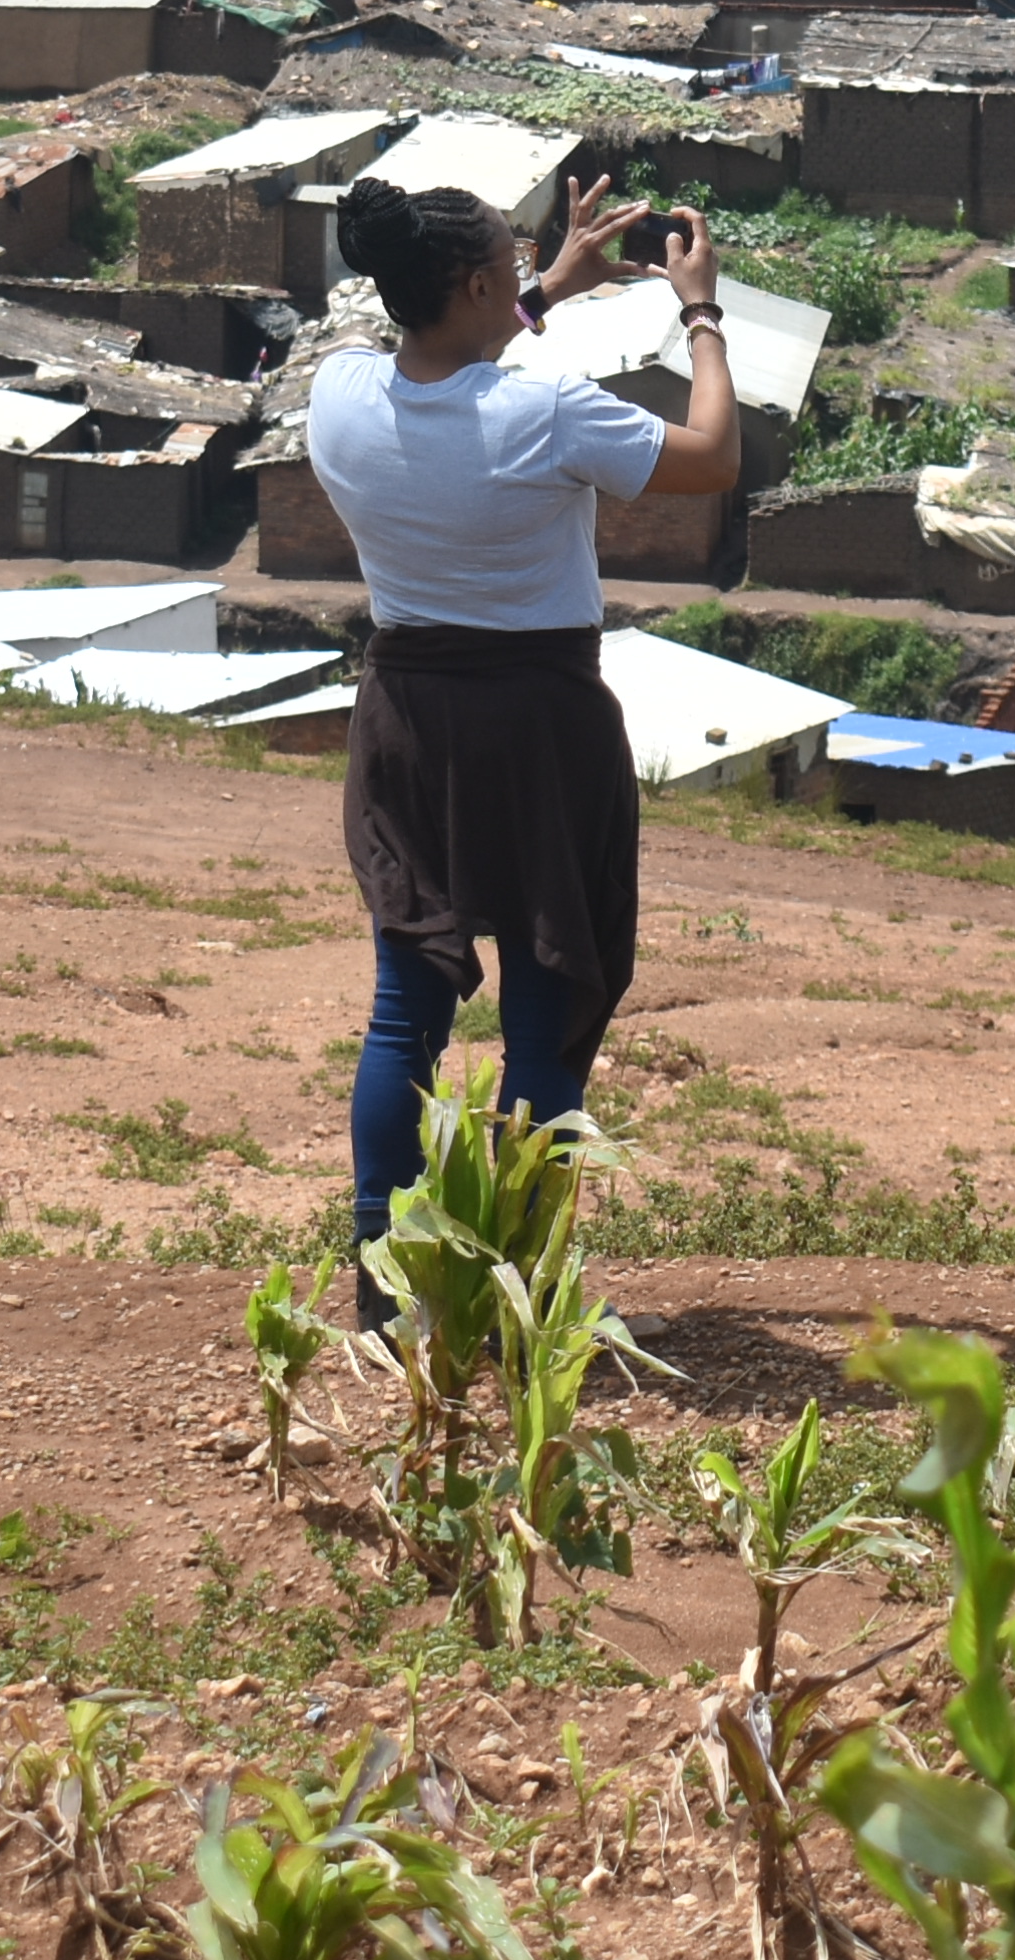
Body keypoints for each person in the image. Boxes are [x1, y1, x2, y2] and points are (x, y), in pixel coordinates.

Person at [306, 173, 740, 1272]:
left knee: (405, 1006)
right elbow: (713, 457)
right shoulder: (546, 411)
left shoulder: (337, 393)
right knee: (546, 995)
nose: (522, 286)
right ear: (472, 283)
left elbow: (448, 362)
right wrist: (701, 312)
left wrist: (544, 287)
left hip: (405, 716)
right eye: (508, 270)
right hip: (541, 725)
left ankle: (386, 1274)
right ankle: (524, 1277)